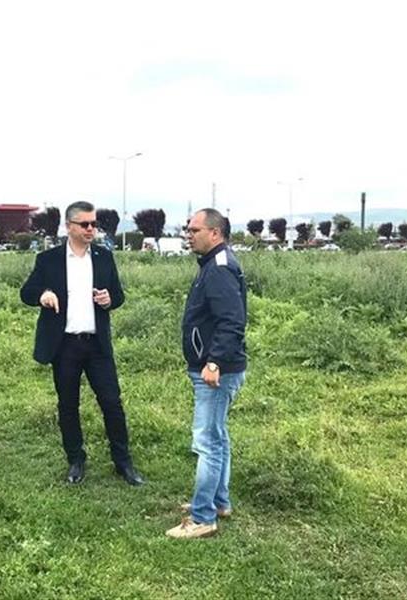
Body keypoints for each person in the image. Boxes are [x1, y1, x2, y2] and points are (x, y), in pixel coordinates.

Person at [20, 201, 145, 486]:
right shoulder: (48, 259)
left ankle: (123, 462)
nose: (91, 229)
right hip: (64, 346)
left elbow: (118, 296)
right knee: (68, 404)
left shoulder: (103, 256)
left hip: (97, 345)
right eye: (85, 224)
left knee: (112, 402)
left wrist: (109, 299)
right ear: (69, 226)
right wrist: (42, 295)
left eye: (94, 224)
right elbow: (26, 292)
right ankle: (76, 460)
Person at [166, 208, 247, 538]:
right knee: (217, 436)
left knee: (207, 442)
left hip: (216, 371)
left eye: (194, 230)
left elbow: (233, 320)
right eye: (187, 229)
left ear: (215, 233)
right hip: (215, 367)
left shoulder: (219, 268)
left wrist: (214, 362)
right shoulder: (212, 263)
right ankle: (218, 501)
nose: (189, 235)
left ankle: (202, 518)